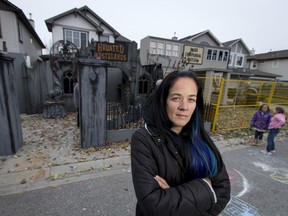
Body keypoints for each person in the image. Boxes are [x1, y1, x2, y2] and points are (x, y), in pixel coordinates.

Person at [131, 70, 231, 216]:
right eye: (176, 98)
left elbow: (223, 191)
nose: (184, 107)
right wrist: (206, 188)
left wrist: (171, 195)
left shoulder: (201, 138)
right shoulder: (144, 139)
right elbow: (154, 205)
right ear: (163, 100)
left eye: (191, 99)